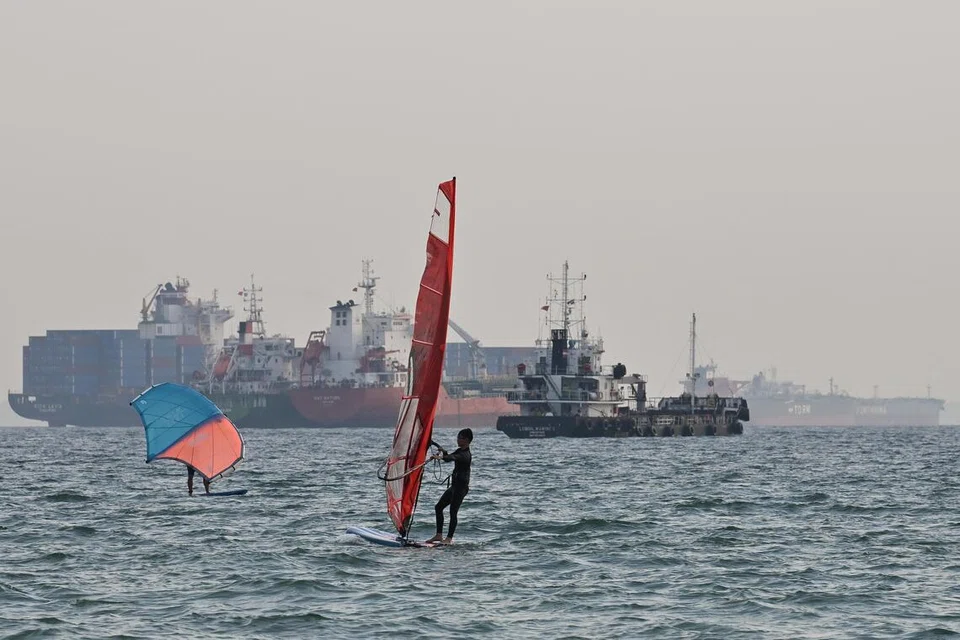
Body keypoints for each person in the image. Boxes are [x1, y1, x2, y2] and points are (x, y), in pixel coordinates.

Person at [426, 428, 473, 545]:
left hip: (461, 489)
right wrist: (443, 452)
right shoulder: (459, 450)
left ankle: (449, 538)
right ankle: (439, 535)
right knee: (438, 507)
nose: (457, 439)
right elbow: (450, 456)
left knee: (453, 512)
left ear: (466, 440)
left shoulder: (465, 454)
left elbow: (453, 458)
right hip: (454, 487)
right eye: (458, 437)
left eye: (460, 437)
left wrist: (441, 457)